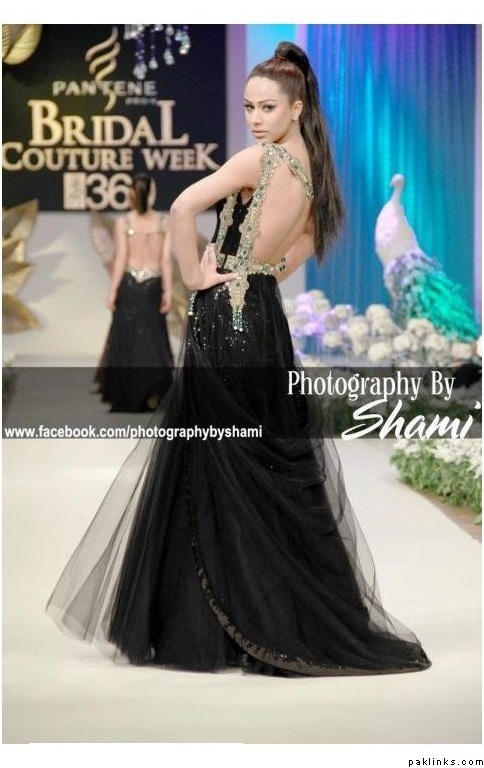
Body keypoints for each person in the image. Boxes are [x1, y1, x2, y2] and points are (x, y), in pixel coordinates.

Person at [47, 42, 431, 676]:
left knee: (213, 460)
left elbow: (181, 207)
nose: (254, 118)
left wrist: (193, 276)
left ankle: (211, 625)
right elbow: (304, 242)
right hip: (263, 320)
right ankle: (272, 616)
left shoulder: (262, 159)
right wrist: (259, 274)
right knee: (261, 463)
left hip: (225, 318)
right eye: (249, 106)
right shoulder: (313, 167)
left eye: (267, 107)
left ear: (296, 107)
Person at [94, 174, 174, 412]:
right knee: (153, 338)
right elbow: (166, 259)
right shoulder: (164, 222)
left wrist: (112, 290)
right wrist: (168, 290)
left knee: (127, 339)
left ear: (131, 193)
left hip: (129, 284)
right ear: (152, 193)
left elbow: (121, 258)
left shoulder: (124, 222)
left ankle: (128, 394)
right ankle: (153, 393)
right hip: (153, 285)